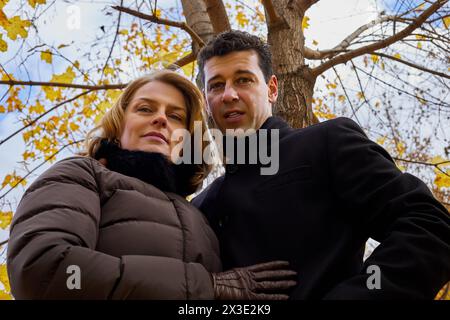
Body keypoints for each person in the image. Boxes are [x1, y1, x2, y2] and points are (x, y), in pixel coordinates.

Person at [192, 30, 450, 299]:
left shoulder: (325, 143)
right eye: (216, 85)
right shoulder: (202, 205)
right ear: (207, 102)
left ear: (271, 89)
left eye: (243, 79)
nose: (229, 94)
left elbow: (429, 226)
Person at [7, 70, 297, 299]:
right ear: (120, 125)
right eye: (145, 109)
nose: (160, 118)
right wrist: (205, 288)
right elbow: (44, 269)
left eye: (175, 116)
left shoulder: (202, 214)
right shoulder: (84, 174)